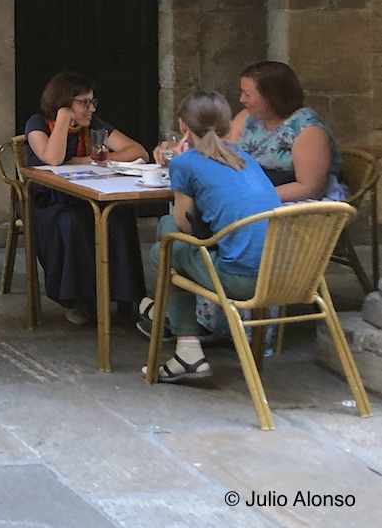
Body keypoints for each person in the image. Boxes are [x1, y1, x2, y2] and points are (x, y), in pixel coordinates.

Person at [139, 90, 281, 383]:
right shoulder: (245, 159)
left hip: (239, 280)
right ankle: (177, 337)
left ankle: (184, 345)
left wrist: (180, 167)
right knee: (169, 232)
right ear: (228, 124)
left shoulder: (186, 163)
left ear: (183, 125)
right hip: (282, 274)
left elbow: (184, 225)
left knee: (165, 248)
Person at [24, 72, 150, 325]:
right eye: (84, 103)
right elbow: (53, 159)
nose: (91, 109)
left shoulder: (92, 124)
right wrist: (63, 119)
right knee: (70, 222)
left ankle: (126, 295)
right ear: (64, 102)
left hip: (86, 195)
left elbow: (139, 152)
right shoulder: (37, 124)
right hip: (50, 200)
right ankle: (78, 298)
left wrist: (87, 160)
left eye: (93, 102)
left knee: (119, 215)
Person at [227, 60, 347, 203]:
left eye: (247, 95)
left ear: (271, 97)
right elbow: (226, 154)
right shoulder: (247, 117)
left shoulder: (308, 130)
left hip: (288, 199)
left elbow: (310, 188)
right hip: (250, 189)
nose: (241, 99)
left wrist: (254, 196)